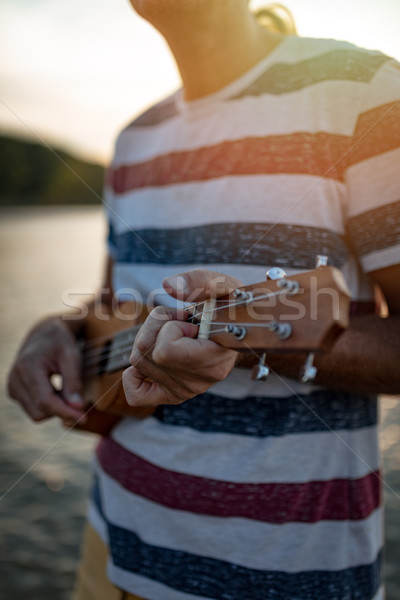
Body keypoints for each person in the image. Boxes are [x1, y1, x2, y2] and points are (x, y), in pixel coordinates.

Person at [7, 1, 400, 598]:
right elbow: (111, 303)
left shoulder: (363, 93)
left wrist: (236, 342)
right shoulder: (134, 140)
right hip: (110, 541)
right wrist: (50, 330)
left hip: (280, 578)